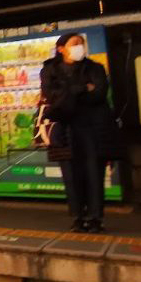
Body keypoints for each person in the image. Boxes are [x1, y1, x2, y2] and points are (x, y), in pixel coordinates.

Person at [40, 32, 120, 233]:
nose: (80, 47)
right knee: (71, 176)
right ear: (61, 48)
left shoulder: (95, 68)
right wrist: (83, 88)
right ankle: (78, 217)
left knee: (94, 173)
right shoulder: (50, 69)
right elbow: (52, 95)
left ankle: (95, 218)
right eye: (75, 43)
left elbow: (100, 94)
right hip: (65, 130)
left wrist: (68, 94)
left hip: (94, 128)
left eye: (82, 43)